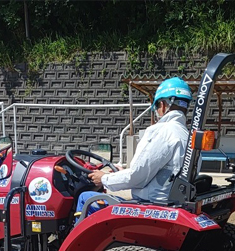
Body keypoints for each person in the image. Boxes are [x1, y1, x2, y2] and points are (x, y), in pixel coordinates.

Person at [75, 77, 192, 216]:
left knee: (85, 198)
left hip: (150, 206)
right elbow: (156, 171)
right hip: (169, 203)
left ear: (164, 105)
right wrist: (120, 173)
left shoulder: (162, 131)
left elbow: (137, 176)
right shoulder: (187, 135)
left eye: (157, 106)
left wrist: (104, 179)